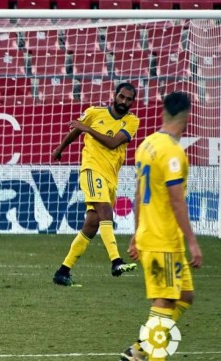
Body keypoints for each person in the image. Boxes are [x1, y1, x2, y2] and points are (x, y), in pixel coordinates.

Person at [120, 92, 203, 361]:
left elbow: (137, 192)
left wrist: (136, 233)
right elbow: (177, 200)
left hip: (153, 236)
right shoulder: (172, 152)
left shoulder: (146, 145)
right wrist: (193, 241)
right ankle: (150, 355)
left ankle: (141, 348)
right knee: (165, 301)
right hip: (163, 239)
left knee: (185, 295)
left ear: (163, 113)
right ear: (188, 118)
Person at [52, 82, 140, 287]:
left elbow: (113, 142)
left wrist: (87, 129)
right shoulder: (94, 112)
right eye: (122, 97)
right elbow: (75, 131)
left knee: (92, 224)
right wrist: (60, 148)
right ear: (115, 95)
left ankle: (63, 271)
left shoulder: (132, 121)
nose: (124, 102)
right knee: (105, 211)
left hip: (111, 177)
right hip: (92, 170)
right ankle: (116, 261)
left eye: (129, 99)